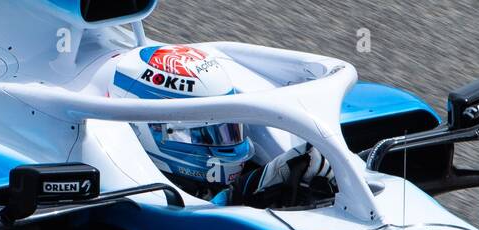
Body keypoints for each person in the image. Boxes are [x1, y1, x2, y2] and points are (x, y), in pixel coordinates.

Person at [109, 44, 332, 205]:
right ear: (144, 130)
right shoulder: (127, 194)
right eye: (204, 135)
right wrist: (246, 191)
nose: (228, 146)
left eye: (228, 130)